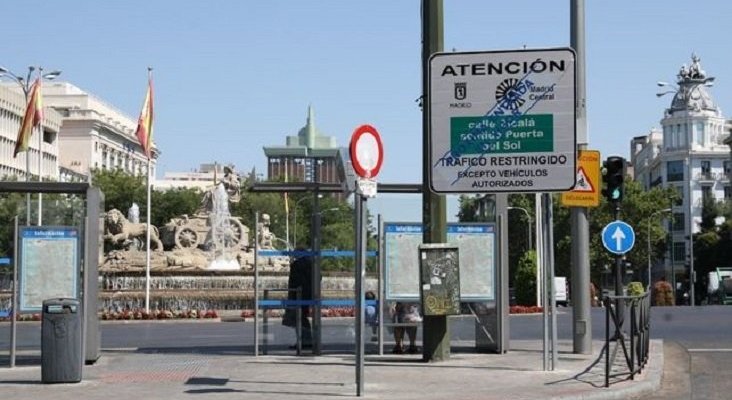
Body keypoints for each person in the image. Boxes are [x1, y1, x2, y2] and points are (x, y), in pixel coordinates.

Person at [285, 249, 313, 348]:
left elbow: (295, 281)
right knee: (303, 318)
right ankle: (307, 341)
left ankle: (304, 342)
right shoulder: (310, 263)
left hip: (298, 295)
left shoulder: (296, 264)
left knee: (298, 318)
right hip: (308, 294)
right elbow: (319, 277)